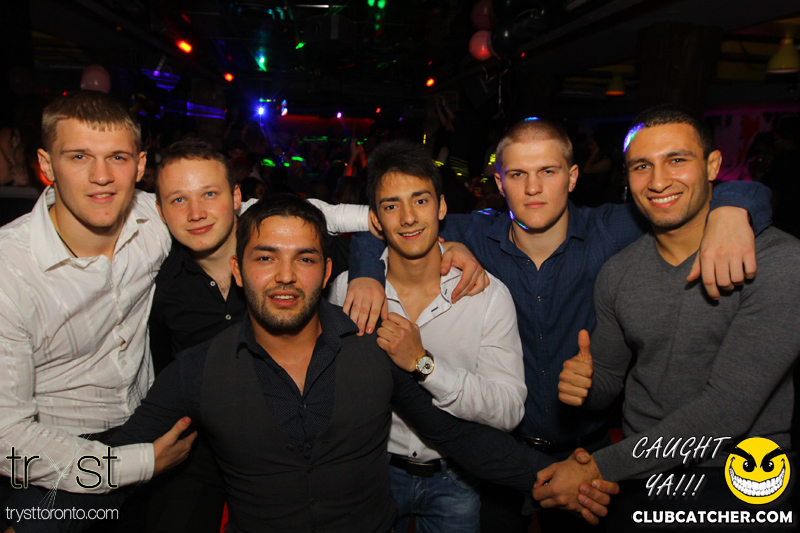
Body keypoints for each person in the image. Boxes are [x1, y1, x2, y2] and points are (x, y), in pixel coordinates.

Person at [8, 195, 618, 533]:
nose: (284, 276)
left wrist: (551, 474)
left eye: (303, 259)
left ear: (327, 272)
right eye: (265, 257)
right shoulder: (198, 370)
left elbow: (454, 435)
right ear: (239, 269)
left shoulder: (372, 347)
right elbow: (120, 455)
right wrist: (30, 520)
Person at [344, 118, 771, 531]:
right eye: (518, 174)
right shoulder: (474, 233)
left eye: (547, 171)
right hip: (495, 453)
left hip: (589, 448)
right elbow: (384, 222)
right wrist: (366, 273)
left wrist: (732, 211)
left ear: (572, 177)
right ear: (499, 183)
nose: (533, 188)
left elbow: (701, 196)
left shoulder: (611, 230)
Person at [550, 105, 800, 529]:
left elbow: (728, 409)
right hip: (644, 474)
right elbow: (609, 379)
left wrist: (599, 466)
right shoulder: (618, 273)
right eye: (642, 166)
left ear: (712, 165)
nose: (659, 181)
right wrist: (586, 384)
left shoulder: (779, 261)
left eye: (677, 160)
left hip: (745, 476)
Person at [145, 137, 373, 532]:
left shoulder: (289, 251)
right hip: (202, 453)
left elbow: (386, 230)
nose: (196, 213)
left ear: (237, 197)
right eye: (179, 200)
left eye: (209, 194)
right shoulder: (162, 287)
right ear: (161, 211)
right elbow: (166, 374)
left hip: (301, 450)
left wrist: (369, 271)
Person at [0, 92, 197, 508]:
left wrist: (348, 222)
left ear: (139, 166)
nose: (101, 176)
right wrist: (138, 464)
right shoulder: (9, 271)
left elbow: (240, 215)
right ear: (46, 165)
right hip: (49, 459)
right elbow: (6, 439)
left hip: (146, 426)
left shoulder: (154, 219)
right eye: (79, 157)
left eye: (117, 158)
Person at [328, 141, 527, 532]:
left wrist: (425, 366)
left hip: (456, 476)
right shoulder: (348, 291)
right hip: (373, 473)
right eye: (391, 206)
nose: (407, 218)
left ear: (441, 207)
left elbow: (508, 409)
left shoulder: (486, 296)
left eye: (420, 201)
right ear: (375, 219)